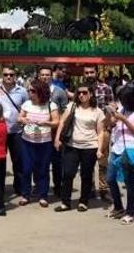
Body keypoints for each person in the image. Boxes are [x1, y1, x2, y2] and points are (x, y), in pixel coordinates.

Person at [54, 84, 105, 212]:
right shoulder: (72, 106)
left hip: (90, 147)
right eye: (79, 93)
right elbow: (62, 122)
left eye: (85, 92)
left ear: (91, 94)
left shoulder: (97, 111)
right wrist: (57, 138)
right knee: (68, 173)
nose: (81, 95)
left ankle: (83, 201)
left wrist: (99, 149)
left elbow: (100, 132)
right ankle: (65, 202)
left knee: (86, 175)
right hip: (72, 145)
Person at [106, 87, 134, 224]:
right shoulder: (121, 108)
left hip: (130, 149)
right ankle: (118, 207)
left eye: (123, 100)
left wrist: (123, 119)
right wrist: (111, 115)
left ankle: (130, 212)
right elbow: (111, 124)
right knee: (110, 178)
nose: (121, 103)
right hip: (116, 147)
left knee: (129, 182)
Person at [17, 80, 59, 207]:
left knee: (43, 169)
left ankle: (43, 195)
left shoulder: (51, 105)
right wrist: (24, 120)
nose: (30, 93)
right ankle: (25, 194)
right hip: (27, 141)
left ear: (40, 92)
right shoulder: (27, 104)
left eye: (33, 91)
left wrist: (46, 123)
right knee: (26, 168)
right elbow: (19, 118)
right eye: (29, 90)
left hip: (44, 142)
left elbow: (57, 122)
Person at [0, 65, 29, 197]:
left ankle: (19, 187)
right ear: (2, 76)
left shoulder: (22, 91)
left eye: (11, 75)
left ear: (15, 76)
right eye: (6, 74)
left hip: (17, 132)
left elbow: (27, 108)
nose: (8, 77)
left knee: (18, 161)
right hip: (0, 132)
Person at [83, 65, 115, 202]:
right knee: (86, 162)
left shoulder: (105, 88)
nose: (89, 74)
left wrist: (108, 125)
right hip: (84, 130)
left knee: (103, 161)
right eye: (87, 72)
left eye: (91, 72)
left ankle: (104, 189)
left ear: (96, 73)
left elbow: (112, 107)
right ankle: (89, 189)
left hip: (102, 129)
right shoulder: (80, 89)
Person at [38, 65, 68, 198]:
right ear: (39, 76)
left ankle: (58, 186)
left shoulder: (59, 92)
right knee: (40, 161)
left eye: (47, 75)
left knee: (57, 161)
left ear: (51, 76)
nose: (45, 77)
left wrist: (60, 128)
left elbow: (65, 112)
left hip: (55, 131)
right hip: (38, 132)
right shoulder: (34, 91)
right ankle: (39, 186)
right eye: (42, 75)